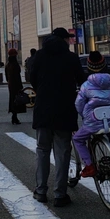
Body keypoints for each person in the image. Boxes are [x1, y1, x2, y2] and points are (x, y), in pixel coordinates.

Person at [28, 27, 85, 208]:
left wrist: (42, 90)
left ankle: (40, 191)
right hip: (64, 109)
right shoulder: (71, 57)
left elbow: (32, 78)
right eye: (68, 38)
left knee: (42, 150)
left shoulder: (39, 55)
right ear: (64, 40)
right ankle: (60, 194)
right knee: (62, 152)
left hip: (43, 108)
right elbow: (82, 80)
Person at [73, 51, 110, 178]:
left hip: (92, 121)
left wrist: (85, 115)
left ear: (89, 67)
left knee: (77, 139)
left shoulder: (86, 85)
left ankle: (89, 166)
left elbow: (79, 104)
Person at [5, 48, 25, 125]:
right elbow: (18, 76)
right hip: (16, 85)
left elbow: (7, 76)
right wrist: (20, 86)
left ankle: (14, 116)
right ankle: (14, 117)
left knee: (12, 100)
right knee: (17, 101)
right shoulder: (15, 64)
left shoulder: (8, 64)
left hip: (10, 85)